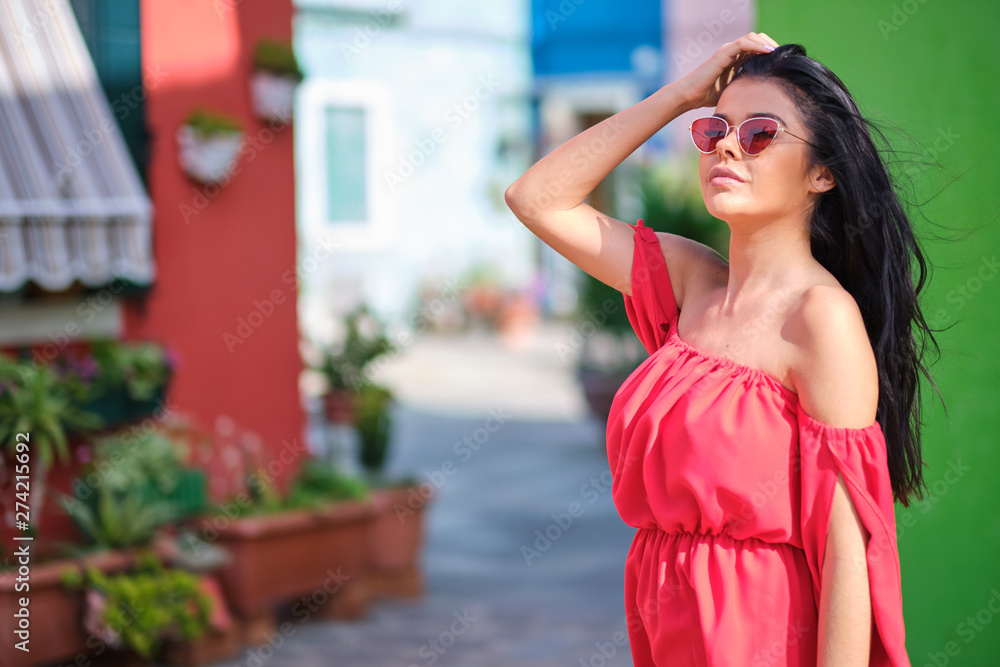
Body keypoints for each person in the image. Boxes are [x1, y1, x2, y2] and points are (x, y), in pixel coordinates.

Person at [505, 32, 939, 666]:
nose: (727, 147)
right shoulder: (692, 283)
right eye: (714, 131)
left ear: (822, 173)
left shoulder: (820, 318)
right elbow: (536, 198)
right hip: (665, 629)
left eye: (760, 133)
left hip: (757, 634)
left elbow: (848, 552)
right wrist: (680, 96)